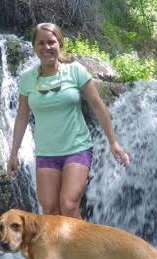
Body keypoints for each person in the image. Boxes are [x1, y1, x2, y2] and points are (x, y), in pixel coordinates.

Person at [7, 22, 130, 219]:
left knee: (69, 204)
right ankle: (61, 251)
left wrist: (113, 142)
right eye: (41, 43)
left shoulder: (75, 71)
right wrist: (13, 154)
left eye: (51, 42)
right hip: (46, 152)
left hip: (77, 148)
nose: (47, 47)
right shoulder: (27, 80)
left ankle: (85, 249)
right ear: (34, 47)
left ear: (60, 44)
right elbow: (22, 117)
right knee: (49, 209)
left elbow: (98, 106)